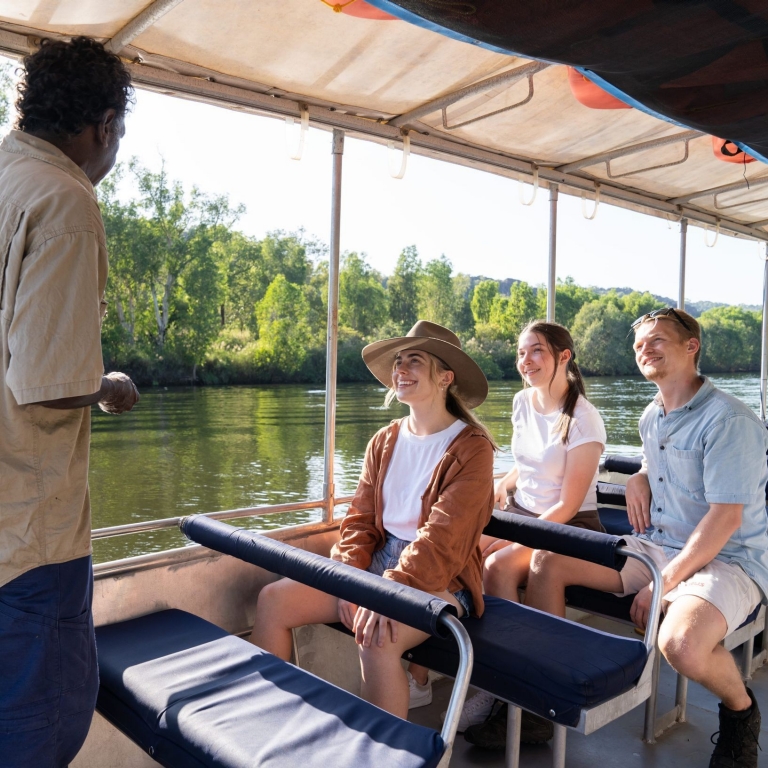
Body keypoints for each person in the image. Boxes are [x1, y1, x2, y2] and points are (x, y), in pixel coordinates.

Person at [526, 308, 767, 768]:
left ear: (691, 346)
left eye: (657, 341)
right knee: (545, 562)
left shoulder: (729, 421)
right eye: (639, 346)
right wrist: (640, 475)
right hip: (661, 544)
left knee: (680, 644)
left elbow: (724, 521)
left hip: (729, 559)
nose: (645, 350)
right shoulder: (653, 416)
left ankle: (741, 713)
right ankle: (544, 699)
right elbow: (658, 463)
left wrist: (665, 582)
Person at [0, 37, 139, 766]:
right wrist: (109, 384)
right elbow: (49, 381)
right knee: (40, 733)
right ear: (104, 124)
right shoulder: (65, 199)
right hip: (28, 541)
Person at [251, 320, 495, 718]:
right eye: (398, 361)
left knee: (376, 638)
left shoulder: (472, 448)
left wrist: (385, 593)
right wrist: (348, 578)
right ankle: (267, 727)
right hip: (377, 564)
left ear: (446, 377)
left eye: (414, 360)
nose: (400, 370)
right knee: (273, 601)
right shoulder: (384, 440)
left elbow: (443, 539)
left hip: (441, 576)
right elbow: (360, 520)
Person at [461, 321, 606, 748]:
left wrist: (518, 536)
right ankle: (489, 671)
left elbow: (567, 503)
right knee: (460, 551)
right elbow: (525, 467)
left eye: (536, 351)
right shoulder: (523, 401)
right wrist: (496, 489)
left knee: (498, 565)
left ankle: (522, 690)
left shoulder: (583, 419)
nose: (526, 361)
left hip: (568, 527)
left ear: (564, 356)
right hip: (522, 513)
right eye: (522, 352)